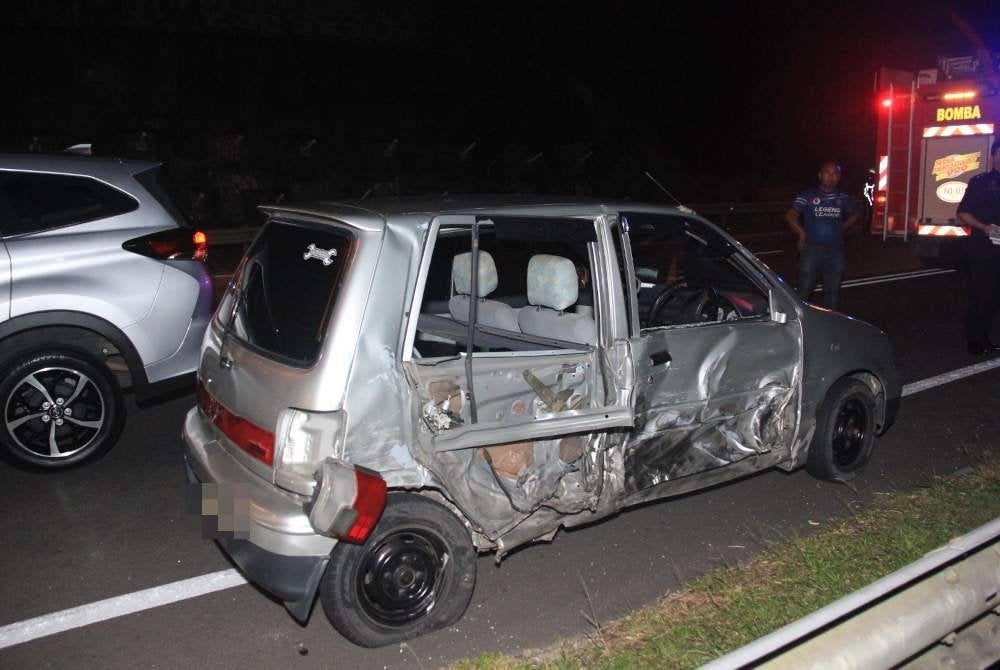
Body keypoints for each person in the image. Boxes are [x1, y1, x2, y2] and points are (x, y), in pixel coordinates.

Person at [785, 161, 860, 310]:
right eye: (827, 172)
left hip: (835, 250)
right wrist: (801, 233)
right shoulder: (808, 195)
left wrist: (842, 227)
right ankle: (800, 323)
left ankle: (830, 323)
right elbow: (790, 215)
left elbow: (856, 213)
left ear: (839, 177)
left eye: (835, 174)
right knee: (804, 290)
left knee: (832, 291)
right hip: (811, 249)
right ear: (820, 175)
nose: (831, 177)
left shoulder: (843, 197)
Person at [956, 139, 1000, 356]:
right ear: (993, 155)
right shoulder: (980, 182)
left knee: (994, 298)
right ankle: (974, 340)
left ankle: (984, 337)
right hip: (984, 249)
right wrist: (984, 227)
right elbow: (963, 213)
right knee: (981, 295)